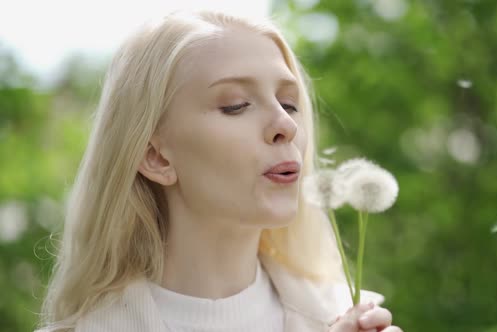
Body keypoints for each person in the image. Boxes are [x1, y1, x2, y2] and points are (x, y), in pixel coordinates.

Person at [36, 9, 403, 332]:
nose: (285, 125)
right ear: (156, 157)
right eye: (236, 105)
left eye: (289, 104)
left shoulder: (353, 321)